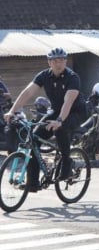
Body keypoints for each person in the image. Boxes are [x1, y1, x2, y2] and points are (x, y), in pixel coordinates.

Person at [3, 48, 87, 192]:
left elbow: (68, 102)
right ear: (49, 62)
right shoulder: (43, 76)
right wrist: (12, 111)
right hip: (55, 111)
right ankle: (33, 183)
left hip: (76, 112)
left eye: (61, 60)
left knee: (60, 128)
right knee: (33, 140)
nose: (58, 63)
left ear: (65, 61)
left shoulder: (72, 77)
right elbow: (27, 92)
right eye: (55, 60)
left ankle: (67, 163)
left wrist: (59, 120)